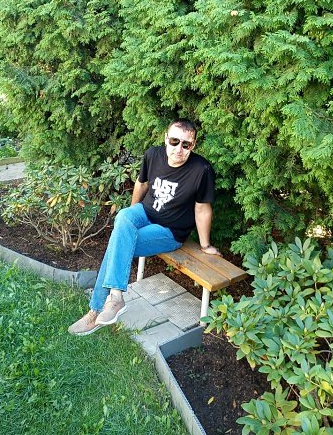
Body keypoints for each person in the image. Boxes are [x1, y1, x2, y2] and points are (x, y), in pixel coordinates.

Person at [68, 118, 220, 336]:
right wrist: (130, 218)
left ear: (193, 145)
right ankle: (115, 298)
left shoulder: (201, 170)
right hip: (145, 212)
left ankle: (96, 310)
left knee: (117, 245)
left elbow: (202, 209)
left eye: (186, 144)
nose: (179, 149)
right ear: (166, 139)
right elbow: (142, 184)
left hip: (169, 231)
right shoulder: (153, 155)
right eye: (174, 141)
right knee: (123, 218)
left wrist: (205, 245)